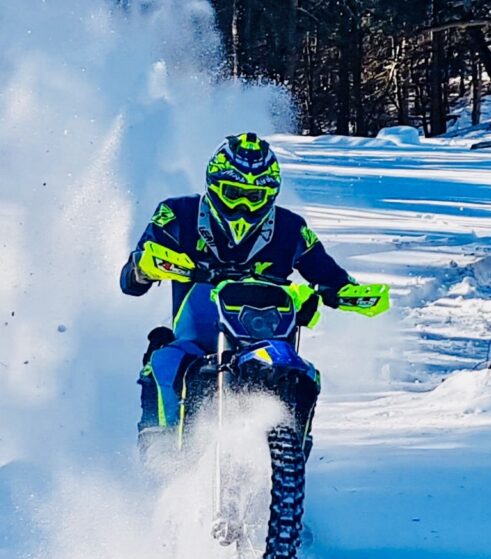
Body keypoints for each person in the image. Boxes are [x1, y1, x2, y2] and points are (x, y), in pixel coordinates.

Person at [120, 133, 357, 455]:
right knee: (164, 360)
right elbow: (131, 280)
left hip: (267, 340)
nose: (244, 205)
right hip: (199, 337)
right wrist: (143, 267)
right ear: (215, 185)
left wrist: (346, 293)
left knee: (305, 373)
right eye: (234, 194)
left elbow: (328, 273)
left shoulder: (291, 229)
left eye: (255, 196)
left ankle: (293, 451)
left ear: (270, 195)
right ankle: (162, 451)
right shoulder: (178, 215)